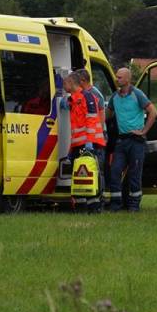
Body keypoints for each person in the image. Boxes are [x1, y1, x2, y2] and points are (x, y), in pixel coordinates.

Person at [106, 67, 157, 212]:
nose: (117, 79)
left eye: (120, 77)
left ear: (128, 79)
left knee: (135, 173)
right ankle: (116, 204)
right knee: (115, 171)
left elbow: (153, 112)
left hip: (136, 141)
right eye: (117, 77)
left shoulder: (137, 94)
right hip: (121, 141)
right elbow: (107, 115)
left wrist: (143, 131)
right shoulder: (115, 97)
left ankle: (134, 206)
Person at [62, 72, 96, 209]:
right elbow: (65, 106)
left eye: (64, 83)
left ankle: (93, 206)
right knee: (78, 176)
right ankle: (81, 206)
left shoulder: (86, 96)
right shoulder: (73, 98)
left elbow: (92, 119)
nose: (63, 86)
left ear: (71, 82)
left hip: (86, 144)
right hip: (77, 144)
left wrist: (90, 142)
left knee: (89, 174)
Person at [76, 68, 108, 208]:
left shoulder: (94, 94)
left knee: (97, 169)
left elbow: (99, 119)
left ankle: (98, 200)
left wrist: (93, 138)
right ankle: (89, 199)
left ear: (83, 81)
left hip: (95, 138)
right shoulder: (84, 93)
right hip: (90, 137)